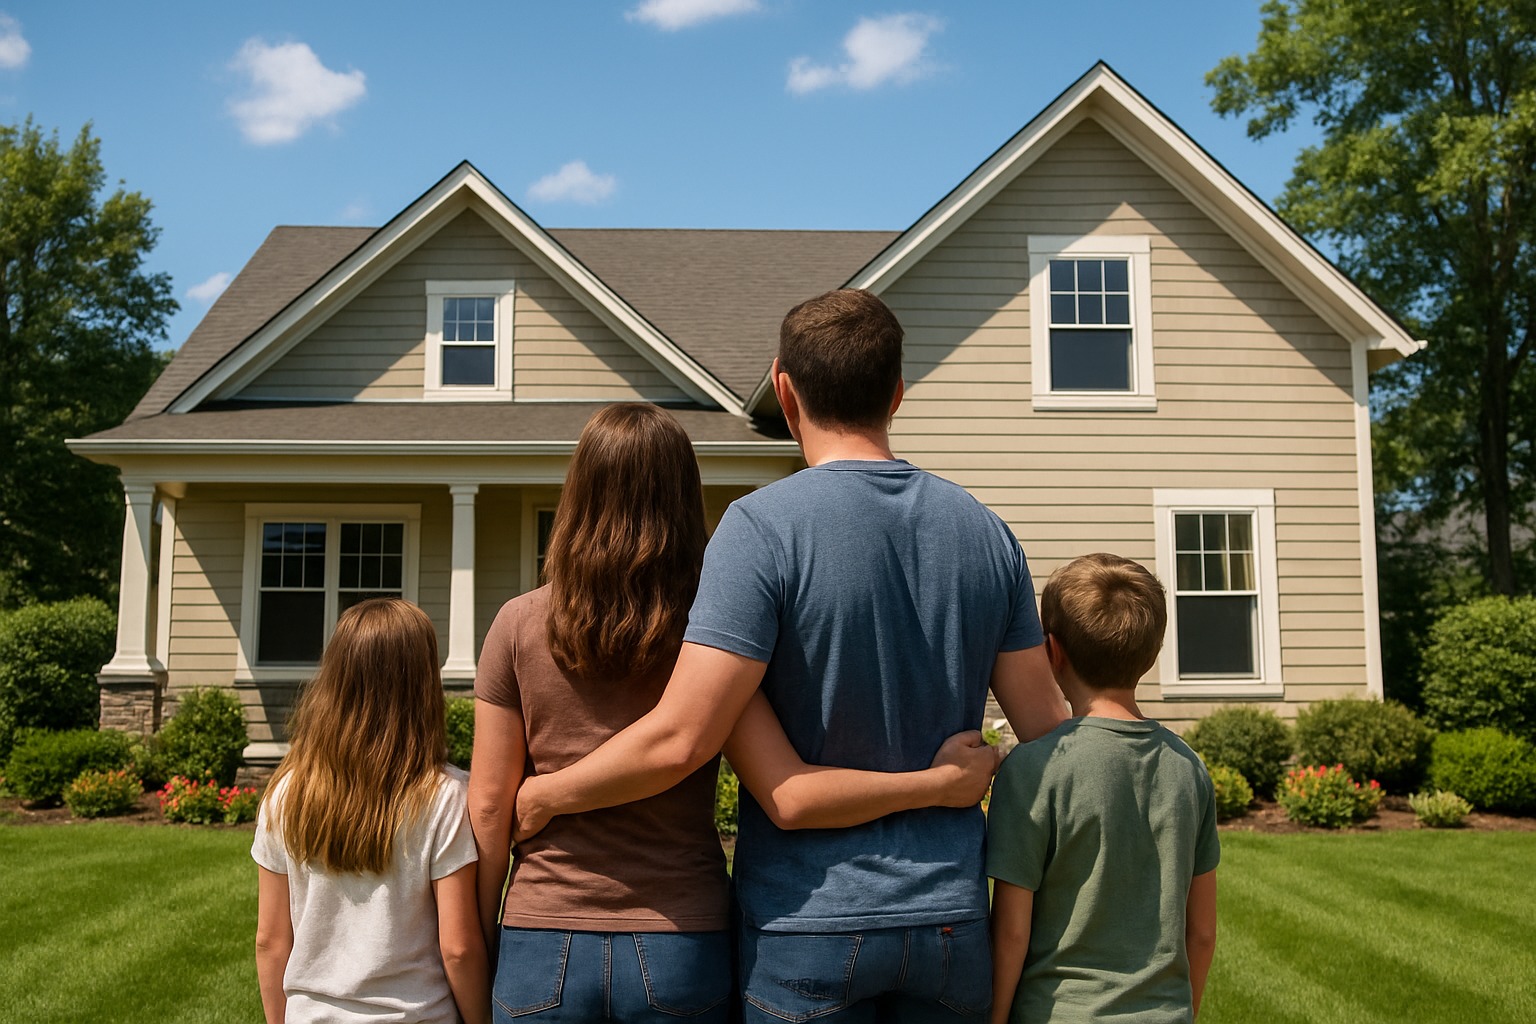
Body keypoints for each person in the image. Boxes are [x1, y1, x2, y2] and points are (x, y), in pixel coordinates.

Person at [512, 290, 1067, 1021]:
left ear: (783, 388)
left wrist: (547, 795)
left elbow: (682, 737)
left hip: (807, 924)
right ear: (898, 393)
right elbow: (1051, 734)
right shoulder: (986, 533)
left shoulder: (759, 530)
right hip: (947, 921)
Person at [469, 402, 1001, 1023]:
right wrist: (939, 784)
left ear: (577, 492)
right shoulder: (711, 632)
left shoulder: (516, 625)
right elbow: (777, 781)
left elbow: (487, 804)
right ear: (682, 499)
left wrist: (483, 941)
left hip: (540, 932)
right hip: (680, 936)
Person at [986, 553, 1220, 1024]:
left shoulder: (1034, 768)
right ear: (1152, 656)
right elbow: (1202, 933)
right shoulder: (1188, 768)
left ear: (1052, 652)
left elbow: (1011, 932)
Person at [253, 598, 489, 1024]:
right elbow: (459, 948)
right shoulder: (447, 796)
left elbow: (270, 941)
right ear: (422, 684)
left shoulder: (284, 795)